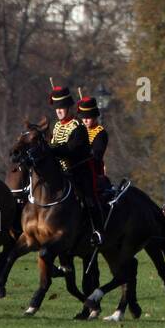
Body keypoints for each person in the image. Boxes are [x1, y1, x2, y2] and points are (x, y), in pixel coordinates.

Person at [47, 85, 105, 240]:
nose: (58, 111)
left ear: (69, 107)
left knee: (88, 197)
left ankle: (97, 230)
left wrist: (52, 150)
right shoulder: (57, 125)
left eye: (62, 107)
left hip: (76, 171)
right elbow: (54, 143)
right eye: (56, 108)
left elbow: (70, 150)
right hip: (58, 171)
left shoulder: (77, 127)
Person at [77, 94, 114, 194]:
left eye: (88, 117)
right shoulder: (78, 130)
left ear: (94, 116)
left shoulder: (100, 133)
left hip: (93, 173)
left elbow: (97, 155)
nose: (85, 120)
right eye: (83, 117)